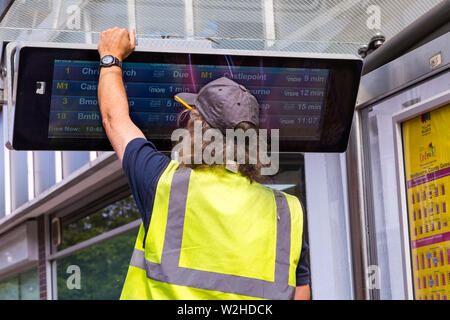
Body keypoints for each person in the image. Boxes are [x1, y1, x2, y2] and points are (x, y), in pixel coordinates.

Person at [97, 27, 311, 300]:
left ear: (196, 130)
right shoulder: (289, 212)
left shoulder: (162, 184)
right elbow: (300, 292)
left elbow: (115, 120)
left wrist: (110, 58)